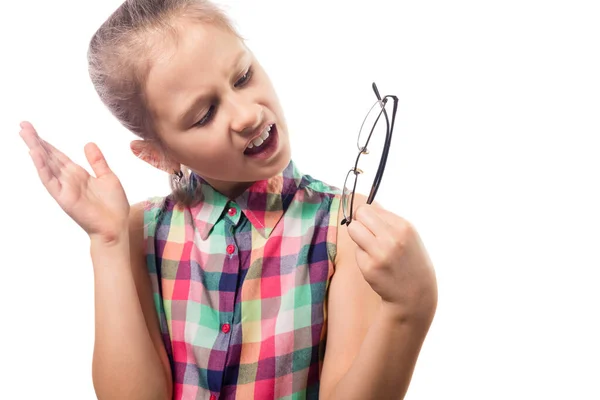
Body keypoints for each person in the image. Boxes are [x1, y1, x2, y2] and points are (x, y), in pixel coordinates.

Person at [18, 0, 438, 399]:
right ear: (158, 155)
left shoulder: (344, 230)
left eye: (242, 76)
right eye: (204, 115)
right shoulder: (135, 232)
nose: (248, 115)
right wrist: (107, 244)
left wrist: (410, 308)